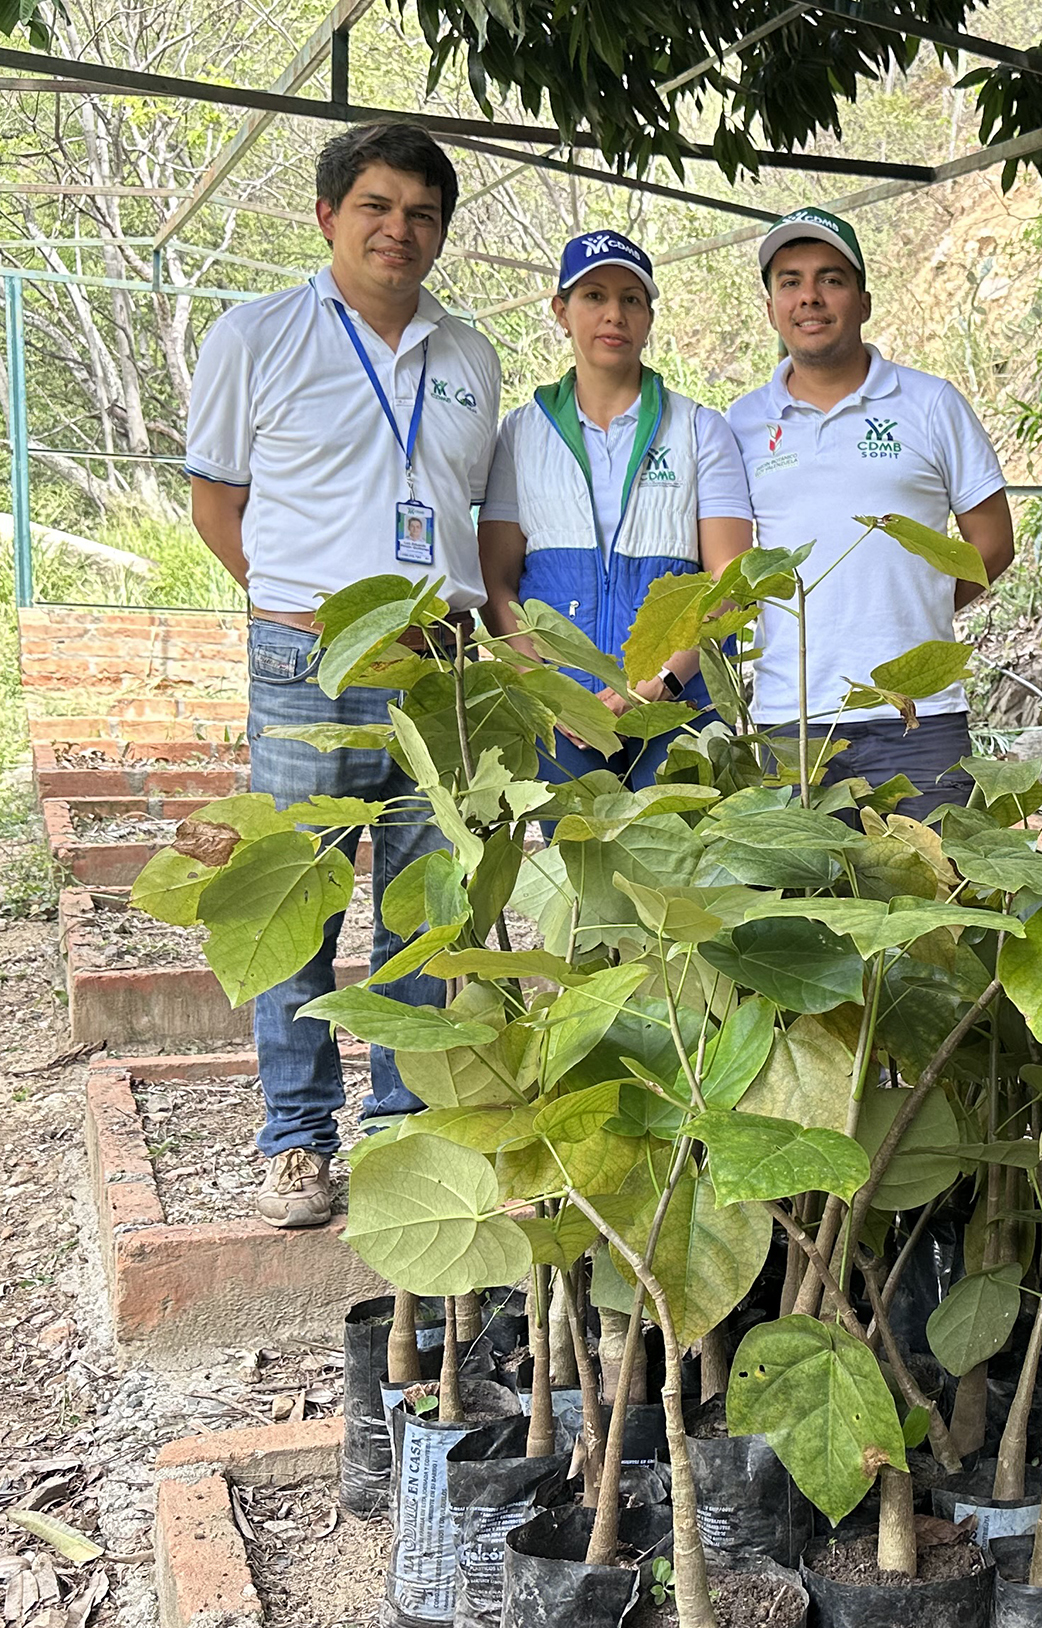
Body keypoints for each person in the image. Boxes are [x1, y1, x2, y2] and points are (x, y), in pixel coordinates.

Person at [184, 122, 502, 1229]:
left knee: (425, 909)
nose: (397, 230)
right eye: (375, 206)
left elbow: (464, 515)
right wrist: (302, 613)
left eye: (420, 213)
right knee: (293, 904)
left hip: (442, 669)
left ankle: (401, 1127)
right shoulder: (256, 335)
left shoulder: (469, 358)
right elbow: (217, 504)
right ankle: (296, 1140)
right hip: (305, 661)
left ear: (441, 233)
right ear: (328, 216)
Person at [729, 206, 1015, 819]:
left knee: (933, 905)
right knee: (800, 912)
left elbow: (992, 544)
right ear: (772, 307)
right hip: (790, 719)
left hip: (918, 715)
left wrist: (916, 603)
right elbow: (727, 566)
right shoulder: (740, 425)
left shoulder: (932, 404)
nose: (810, 297)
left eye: (831, 279)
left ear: (862, 300)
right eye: (790, 281)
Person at [479, 230, 753, 786]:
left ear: (649, 316)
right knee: (578, 865)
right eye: (593, 296)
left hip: (678, 707)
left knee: (674, 865)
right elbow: (496, 578)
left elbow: (729, 580)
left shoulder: (701, 430)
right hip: (562, 716)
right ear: (561, 311)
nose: (614, 315)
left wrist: (654, 686)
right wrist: (548, 692)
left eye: (632, 299)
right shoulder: (520, 434)